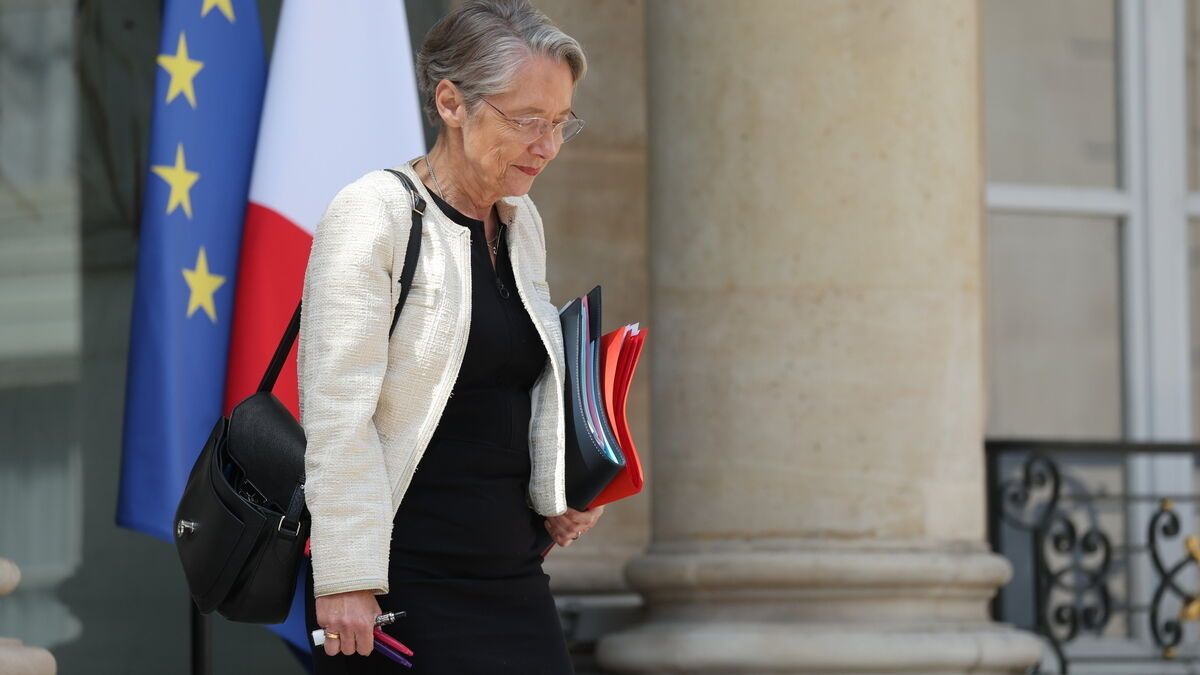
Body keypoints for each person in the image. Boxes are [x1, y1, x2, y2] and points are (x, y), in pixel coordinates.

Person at [297, 1, 602, 672]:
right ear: (451, 102)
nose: (546, 146)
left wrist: (560, 490)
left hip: (512, 572)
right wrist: (347, 576)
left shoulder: (522, 224)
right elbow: (337, 410)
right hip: (407, 583)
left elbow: (516, 383)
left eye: (559, 123)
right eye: (527, 121)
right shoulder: (372, 214)